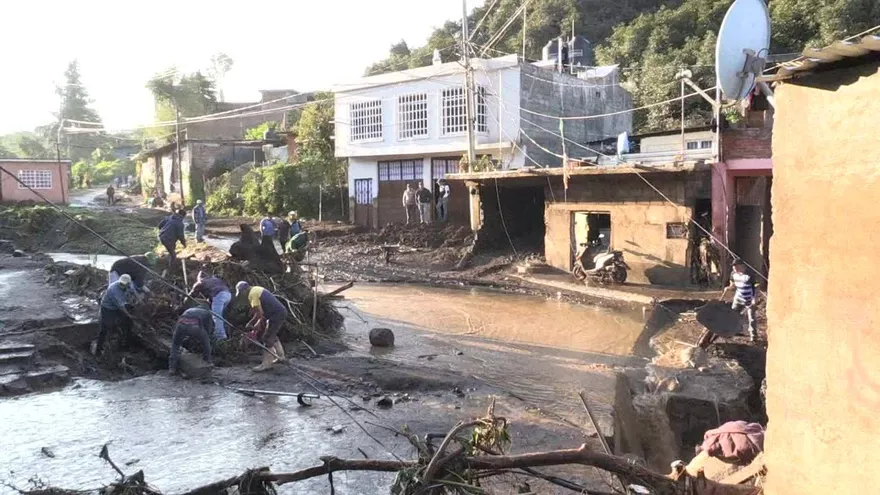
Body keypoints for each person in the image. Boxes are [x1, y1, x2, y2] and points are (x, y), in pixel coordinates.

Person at [235, 281, 288, 372]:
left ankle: (266, 364)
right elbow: (261, 313)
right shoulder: (256, 289)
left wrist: (251, 323)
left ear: (244, 290)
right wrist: (256, 324)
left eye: (241, 293)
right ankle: (281, 357)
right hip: (278, 312)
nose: (241, 295)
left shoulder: (252, 294)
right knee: (272, 335)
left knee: (267, 338)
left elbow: (259, 313)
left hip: (276, 314)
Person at [92, 274, 138, 356]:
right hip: (108, 308)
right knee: (105, 328)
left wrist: (139, 300)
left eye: (124, 285)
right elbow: (121, 306)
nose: (122, 286)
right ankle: (98, 351)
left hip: (119, 305)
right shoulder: (113, 290)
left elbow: (133, 292)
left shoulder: (129, 285)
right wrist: (129, 315)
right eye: (121, 284)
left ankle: (125, 344)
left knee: (127, 324)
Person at [168, 305, 214, 375]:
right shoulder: (207, 313)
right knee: (206, 342)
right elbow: (208, 329)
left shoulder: (190, 309)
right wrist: (204, 337)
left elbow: (182, 320)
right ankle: (208, 361)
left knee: (175, 344)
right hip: (194, 326)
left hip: (180, 324)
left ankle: (172, 368)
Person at [188, 271, 232, 340]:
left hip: (219, 295)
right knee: (220, 315)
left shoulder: (201, 282)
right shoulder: (215, 279)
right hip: (228, 294)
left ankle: (220, 336)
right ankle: (224, 332)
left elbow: (191, 295)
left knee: (216, 316)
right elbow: (211, 296)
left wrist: (185, 301)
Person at [722, 259, 759, 342]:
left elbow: (756, 286)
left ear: (742, 266)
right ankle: (737, 331)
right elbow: (733, 285)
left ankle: (753, 335)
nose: (734, 269)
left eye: (736, 267)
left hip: (749, 298)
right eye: (733, 267)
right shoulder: (733, 274)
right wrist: (728, 288)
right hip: (738, 298)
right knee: (734, 314)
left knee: (751, 318)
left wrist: (754, 299)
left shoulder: (750, 274)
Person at [158, 208, 187, 272]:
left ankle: (168, 260)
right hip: (168, 239)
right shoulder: (180, 224)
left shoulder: (169, 217)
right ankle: (171, 270)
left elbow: (160, 225)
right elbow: (180, 236)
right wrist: (184, 244)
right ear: (182, 216)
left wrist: (164, 231)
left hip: (161, 236)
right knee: (173, 255)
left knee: (172, 249)